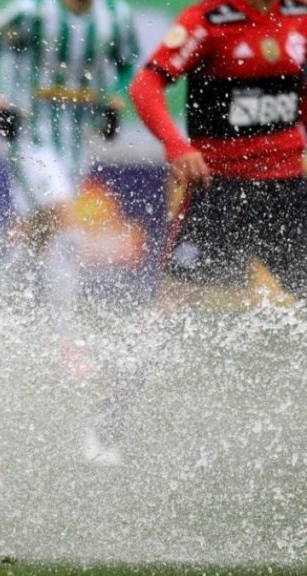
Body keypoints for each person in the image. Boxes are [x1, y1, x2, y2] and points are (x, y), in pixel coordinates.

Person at [85, 0, 307, 464]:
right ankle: (105, 422)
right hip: (218, 191)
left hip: (289, 189)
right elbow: (146, 84)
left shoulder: (298, 14)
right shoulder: (208, 19)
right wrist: (176, 144)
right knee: (173, 308)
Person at [0, 0, 139, 373]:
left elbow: (128, 61)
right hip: (32, 133)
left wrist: (117, 97)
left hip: (77, 140)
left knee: (39, 237)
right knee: (66, 222)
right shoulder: (31, 11)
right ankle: (68, 342)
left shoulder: (116, 15)